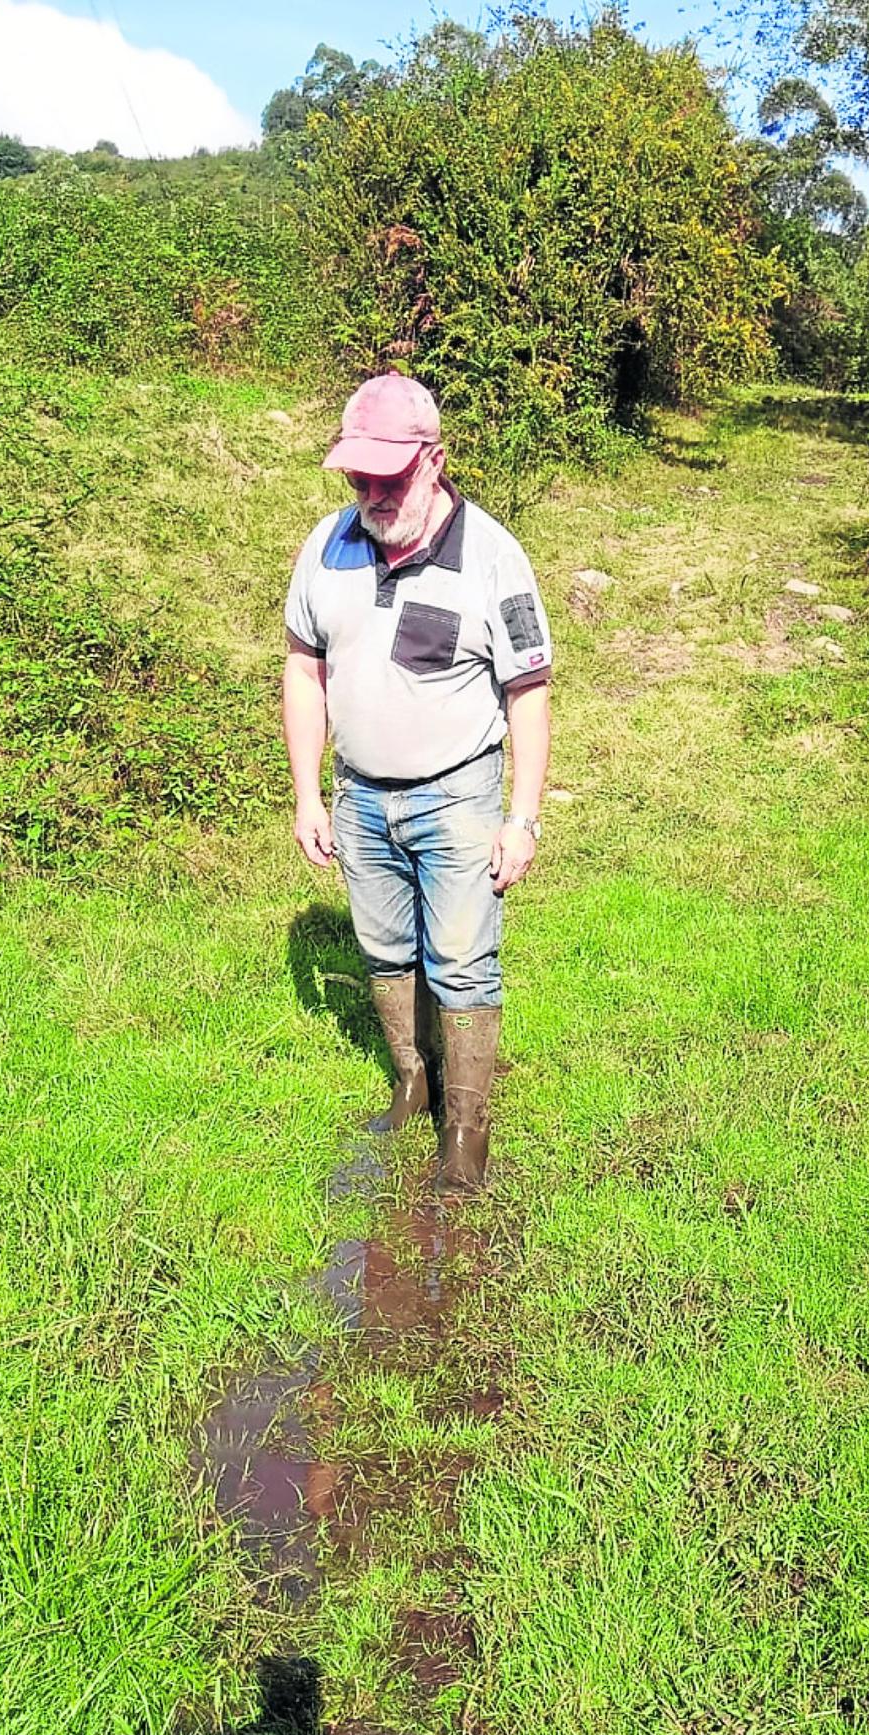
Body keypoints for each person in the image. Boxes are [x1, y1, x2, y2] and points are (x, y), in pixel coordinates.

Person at [282, 373, 552, 1193]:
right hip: (360, 796)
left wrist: (523, 819)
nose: (371, 493)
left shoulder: (494, 558)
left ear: (434, 460)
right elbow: (303, 666)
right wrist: (307, 794)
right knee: (384, 948)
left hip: (459, 794)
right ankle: (411, 1081)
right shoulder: (328, 546)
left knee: (465, 963)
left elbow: (528, 693)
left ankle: (465, 1132)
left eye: (388, 477)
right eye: (357, 477)